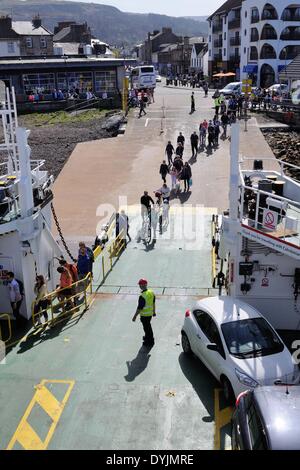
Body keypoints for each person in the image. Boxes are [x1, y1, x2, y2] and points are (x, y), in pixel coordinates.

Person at [132, 279, 156, 347]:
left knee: (147, 328)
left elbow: (139, 308)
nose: (139, 286)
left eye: (140, 285)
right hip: (150, 314)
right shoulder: (151, 292)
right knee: (148, 327)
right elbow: (153, 303)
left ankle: (150, 341)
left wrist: (135, 316)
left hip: (145, 315)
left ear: (142, 285)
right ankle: (147, 337)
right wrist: (154, 312)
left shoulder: (142, 296)